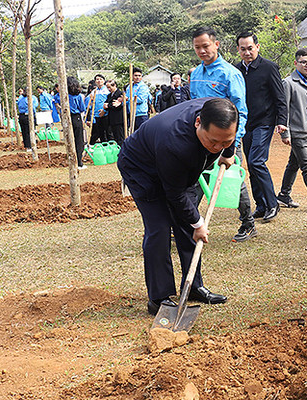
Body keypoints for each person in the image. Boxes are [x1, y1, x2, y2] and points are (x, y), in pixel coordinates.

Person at [118, 97, 235, 315]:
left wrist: (228, 152)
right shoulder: (174, 141)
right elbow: (175, 193)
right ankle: (159, 297)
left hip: (180, 172)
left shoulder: (222, 114)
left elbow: (226, 135)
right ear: (198, 122)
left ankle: (193, 286)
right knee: (160, 228)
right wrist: (198, 223)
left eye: (225, 141)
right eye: (213, 142)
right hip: (142, 169)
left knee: (188, 226)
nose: (217, 147)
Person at [190, 26, 257, 243]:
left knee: (232, 179)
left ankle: (248, 223)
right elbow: (192, 108)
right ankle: (188, 223)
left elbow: (241, 112)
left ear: (216, 45)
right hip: (201, 139)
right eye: (197, 47)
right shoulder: (196, 74)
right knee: (195, 179)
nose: (202, 51)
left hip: (226, 140)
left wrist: (232, 145)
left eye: (206, 46)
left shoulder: (230, 74)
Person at [235, 31, 288, 223]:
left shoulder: (269, 67)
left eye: (250, 48)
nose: (247, 52)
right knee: (251, 164)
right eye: (243, 49)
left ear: (257, 47)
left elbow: (280, 97)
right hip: (245, 124)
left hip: (264, 122)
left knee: (257, 161)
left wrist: (282, 121)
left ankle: (273, 204)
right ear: (238, 50)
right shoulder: (236, 70)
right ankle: (261, 205)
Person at [277, 48, 307, 208]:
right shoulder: (288, 83)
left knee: (293, 164)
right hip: (297, 132)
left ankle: (284, 194)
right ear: (295, 63)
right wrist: (285, 133)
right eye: (303, 62)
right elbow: (284, 110)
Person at [65, 76, 87, 169]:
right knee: (79, 140)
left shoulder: (65, 96)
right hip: (76, 118)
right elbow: (82, 108)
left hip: (67, 118)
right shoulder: (77, 96)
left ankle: (71, 159)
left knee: (70, 139)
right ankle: (79, 162)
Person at [88, 74, 109, 143]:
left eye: (101, 79)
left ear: (104, 81)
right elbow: (89, 101)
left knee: (107, 132)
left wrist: (104, 110)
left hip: (106, 114)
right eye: (97, 79)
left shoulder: (107, 90)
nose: (99, 81)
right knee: (100, 132)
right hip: (97, 114)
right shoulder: (94, 91)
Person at [103, 80, 125, 145]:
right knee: (114, 137)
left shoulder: (119, 94)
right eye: (107, 87)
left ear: (115, 85)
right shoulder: (109, 95)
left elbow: (116, 106)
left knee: (120, 137)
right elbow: (106, 104)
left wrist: (108, 105)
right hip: (111, 119)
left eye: (110, 87)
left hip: (118, 120)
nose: (109, 89)